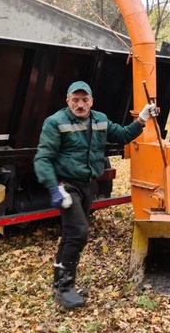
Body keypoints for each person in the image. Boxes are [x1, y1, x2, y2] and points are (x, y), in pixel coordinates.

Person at [34, 80, 157, 310]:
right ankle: (64, 289)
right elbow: (43, 158)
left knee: (71, 234)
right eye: (75, 100)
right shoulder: (55, 122)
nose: (80, 105)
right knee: (79, 232)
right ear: (67, 100)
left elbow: (122, 135)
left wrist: (141, 119)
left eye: (84, 100)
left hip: (88, 185)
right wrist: (54, 187)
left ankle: (61, 283)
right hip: (67, 185)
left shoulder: (100, 119)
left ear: (91, 101)